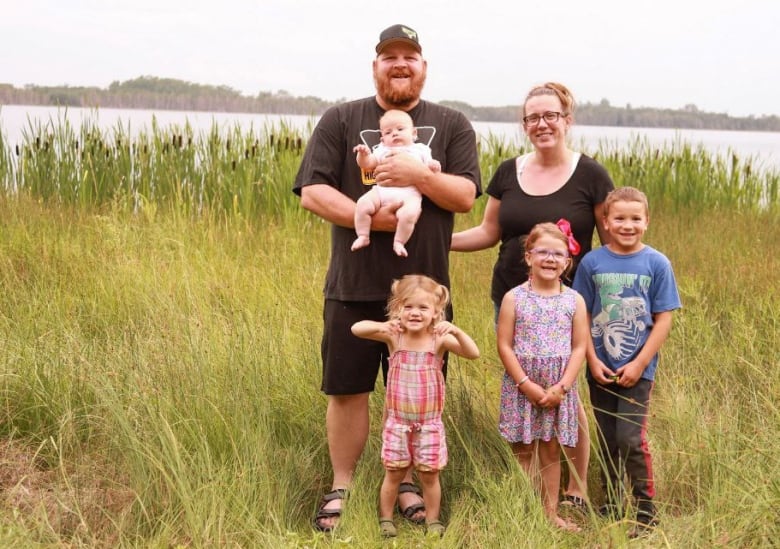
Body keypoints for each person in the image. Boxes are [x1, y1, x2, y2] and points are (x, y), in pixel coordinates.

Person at [293, 23, 481, 532]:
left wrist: (419, 177)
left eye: (410, 57)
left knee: (419, 398)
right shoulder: (341, 119)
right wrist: (374, 217)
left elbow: (464, 196)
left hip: (425, 294)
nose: (400, 64)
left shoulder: (453, 123)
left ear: (424, 67)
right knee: (347, 390)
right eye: (389, 56)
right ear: (374, 65)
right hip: (353, 286)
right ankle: (343, 486)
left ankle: (410, 487)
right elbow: (312, 191)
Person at [451, 82, 614, 509]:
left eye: (550, 115)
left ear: (567, 119)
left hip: (569, 303)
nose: (542, 124)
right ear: (524, 124)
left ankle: (574, 491)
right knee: (520, 390)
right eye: (533, 117)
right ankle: (531, 493)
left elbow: (610, 238)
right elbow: (488, 232)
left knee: (567, 393)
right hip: (512, 298)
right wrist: (439, 241)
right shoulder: (508, 171)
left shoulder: (592, 175)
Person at [572, 186, 681, 538]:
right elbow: (582, 314)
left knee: (631, 438)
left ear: (647, 221)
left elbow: (663, 319)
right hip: (600, 366)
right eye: (620, 218)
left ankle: (646, 512)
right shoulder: (592, 263)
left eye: (636, 218)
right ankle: (613, 505)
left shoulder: (656, 263)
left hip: (639, 369)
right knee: (607, 439)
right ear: (606, 221)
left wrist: (639, 364)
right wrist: (590, 359)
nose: (628, 225)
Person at [351, 275, 480, 537]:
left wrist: (455, 330)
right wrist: (385, 324)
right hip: (397, 423)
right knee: (394, 473)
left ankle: (433, 520)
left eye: (423, 308)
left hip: (429, 425)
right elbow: (357, 328)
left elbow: (472, 352)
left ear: (435, 313)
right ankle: (386, 518)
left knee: (430, 476)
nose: (415, 313)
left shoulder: (438, 341)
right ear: (398, 308)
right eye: (407, 306)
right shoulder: (394, 337)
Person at [496, 223, 589, 531]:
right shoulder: (514, 298)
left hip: (557, 385)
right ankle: (521, 512)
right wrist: (526, 384)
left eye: (558, 254)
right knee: (524, 449)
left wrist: (562, 387)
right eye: (543, 252)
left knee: (550, 448)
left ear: (567, 261)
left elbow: (579, 347)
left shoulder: (573, 300)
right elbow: (504, 346)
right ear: (528, 257)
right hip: (522, 384)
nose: (550, 259)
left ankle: (550, 513)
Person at [352, 109, 442, 257]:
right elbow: (367, 164)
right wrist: (363, 155)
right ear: (382, 139)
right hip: (381, 192)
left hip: (409, 195)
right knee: (362, 204)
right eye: (388, 132)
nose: (394, 133)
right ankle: (363, 235)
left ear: (414, 133)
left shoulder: (420, 150)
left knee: (409, 214)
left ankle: (399, 241)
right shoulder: (383, 150)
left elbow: (428, 171)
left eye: (400, 129)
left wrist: (433, 166)